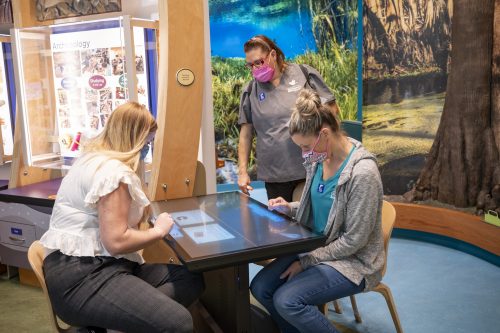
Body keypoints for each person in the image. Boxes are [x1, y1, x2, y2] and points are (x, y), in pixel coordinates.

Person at [40, 102, 204, 333]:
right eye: (146, 143)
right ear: (133, 140)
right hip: (82, 277)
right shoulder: (112, 173)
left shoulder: (92, 160)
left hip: (92, 264)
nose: (147, 150)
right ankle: (123, 324)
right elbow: (116, 241)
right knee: (179, 323)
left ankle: (119, 325)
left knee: (189, 279)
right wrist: (158, 231)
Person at [250, 90, 384, 333]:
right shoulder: (319, 159)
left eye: (305, 146)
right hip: (314, 246)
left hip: (352, 261)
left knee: (287, 300)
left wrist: (306, 262)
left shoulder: (362, 174)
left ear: (324, 134)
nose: (304, 154)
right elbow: (323, 208)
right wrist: (289, 208)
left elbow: (354, 240)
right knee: (261, 287)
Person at [238, 35, 338, 202]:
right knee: (281, 225)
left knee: (311, 222)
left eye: (259, 62)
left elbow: (331, 111)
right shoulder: (250, 90)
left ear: (273, 55)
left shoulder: (303, 73)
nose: (254, 68)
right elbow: (245, 134)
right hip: (275, 175)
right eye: (250, 65)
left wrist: (330, 152)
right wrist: (242, 172)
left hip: (312, 168)